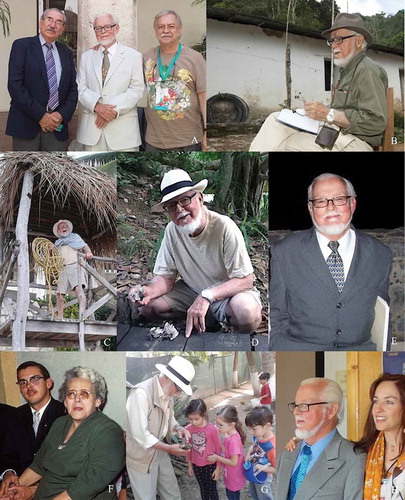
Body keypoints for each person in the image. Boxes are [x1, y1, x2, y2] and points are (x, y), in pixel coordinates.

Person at [128, 168, 262, 337]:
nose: (179, 209)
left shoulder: (224, 227)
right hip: (191, 291)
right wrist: (148, 291)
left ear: (200, 198)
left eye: (184, 200)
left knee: (246, 312)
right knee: (147, 307)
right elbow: (166, 277)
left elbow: (246, 280)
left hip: (227, 295)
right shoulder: (172, 231)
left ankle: (228, 336)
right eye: (171, 206)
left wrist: (207, 296)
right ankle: (207, 319)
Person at [269, 172, 393, 351]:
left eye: (339, 199)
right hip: (298, 349)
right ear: (311, 209)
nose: (330, 207)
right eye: (321, 201)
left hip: (360, 350)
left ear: (352, 204)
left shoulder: (380, 254)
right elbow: (277, 313)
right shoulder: (284, 252)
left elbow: (383, 312)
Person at [250, 13, 388, 152]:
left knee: (285, 142)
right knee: (276, 120)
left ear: (358, 41)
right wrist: (313, 112)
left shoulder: (367, 70)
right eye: (332, 40)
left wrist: (329, 114)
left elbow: (376, 122)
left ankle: (256, 169)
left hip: (356, 142)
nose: (333, 45)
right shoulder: (347, 70)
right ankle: (256, 167)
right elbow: (340, 108)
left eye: (339, 39)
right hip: (336, 132)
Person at [2, 366, 125, 499]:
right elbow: (39, 464)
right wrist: (14, 488)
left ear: (97, 401)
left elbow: (86, 486)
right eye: (71, 394)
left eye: (84, 393)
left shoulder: (108, 431)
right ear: (65, 401)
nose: (77, 399)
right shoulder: (60, 423)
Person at [276, 377, 365, 499]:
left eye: (304, 405)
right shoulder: (287, 455)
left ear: (331, 411)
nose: (296, 411)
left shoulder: (354, 458)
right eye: (296, 405)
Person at [6, 8, 78, 151]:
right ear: (40, 22)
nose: (53, 25)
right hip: (26, 125)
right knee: (25, 171)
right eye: (49, 19)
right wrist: (41, 115)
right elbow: (15, 86)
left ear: (62, 29)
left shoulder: (66, 53)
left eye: (59, 22)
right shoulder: (22, 46)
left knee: (55, 171)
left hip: (57, 126)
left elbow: (73, 89)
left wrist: (61, 115)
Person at [126, 355, 195, 500]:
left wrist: (178, 428)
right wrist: (169, 449)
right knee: (146, 497)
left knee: (172, 493)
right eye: (178, 389)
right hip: (141, 457)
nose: (179, 393)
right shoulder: (140, 394)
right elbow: (140, 434)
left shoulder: (167, 393)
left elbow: (169, 417)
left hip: (160, 451)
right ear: (167, 378)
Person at [76, 12, 144, 152]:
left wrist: (112, 111)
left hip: (124, 133)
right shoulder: (86, 57)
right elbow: (80, 88)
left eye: (107, 27)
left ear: (117, 28)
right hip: (93, 130)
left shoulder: (134, 56)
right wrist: (97, 107)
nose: (103, 31)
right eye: (98, 28)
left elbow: (136, 89)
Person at [143, 10, 206, 151]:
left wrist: (208, 132)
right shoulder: (146, 57)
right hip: (154, 140)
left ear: (179, 30)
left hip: (188, 139)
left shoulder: (195, 58)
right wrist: (100, 49)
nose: (166, 30)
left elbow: (204, 96)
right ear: (155, 30)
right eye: (161, 27)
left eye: (171, 26)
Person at [0, 361, 66, 494]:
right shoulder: (14, 416)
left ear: (48, 383)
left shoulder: (65, 414)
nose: (28, 386)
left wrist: (32, 490)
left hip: (55, 490)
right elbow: (7, 455)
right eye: (23, 382)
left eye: (35, 379)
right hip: (18, 487)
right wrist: (8, 473)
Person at [355, 373, 405, 500]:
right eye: (376, 401)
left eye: (389, 402)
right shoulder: (361, 453)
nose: (378, 409)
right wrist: (303, 444)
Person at [52, 219, 94, 319]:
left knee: (78, 290)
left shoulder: (75, 237)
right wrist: (50, 250)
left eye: (64, 226)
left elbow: (85, 246)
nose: (63, 228)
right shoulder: (57, 243)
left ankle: (82, 316)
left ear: (68, 228)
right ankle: (60, 317)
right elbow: (53, 257)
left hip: (75, 266)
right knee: (59, 294)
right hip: (62, 268)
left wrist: (88, 252)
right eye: (61, 227)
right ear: (58, 231)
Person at [184, 398, 221, 500]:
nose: (193, 422)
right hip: (196, 466)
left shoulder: (212, 429)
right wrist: (190, 466)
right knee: (203, 489)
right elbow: (189, 449)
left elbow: (218, 449)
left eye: (196, 419)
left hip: (210, 465)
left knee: (212, 490)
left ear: (204, 415)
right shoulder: (188, 429)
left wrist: (218, 468)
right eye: (190, 419)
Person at [207, 405, 246, 500]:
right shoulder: (228, 433)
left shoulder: (233, 441)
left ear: (232, 425)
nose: (217, 427)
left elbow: (234, 462)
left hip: (234, 477)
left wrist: (217, 457)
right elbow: (225, 449)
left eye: (220, 425)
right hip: (230, 474)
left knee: (233, 496)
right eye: (216, 424)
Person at [244, 406, 276, 500]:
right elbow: (254, 445)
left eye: (253, 429)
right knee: (254, 493)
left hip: (263, 478)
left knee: (264, 496)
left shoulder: (271, 447)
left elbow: (276, 468)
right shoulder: (259, 436)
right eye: (249, 429)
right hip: (254, 472)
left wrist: (259, 467)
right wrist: (249, 452)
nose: (251, 432)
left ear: (267, 426)